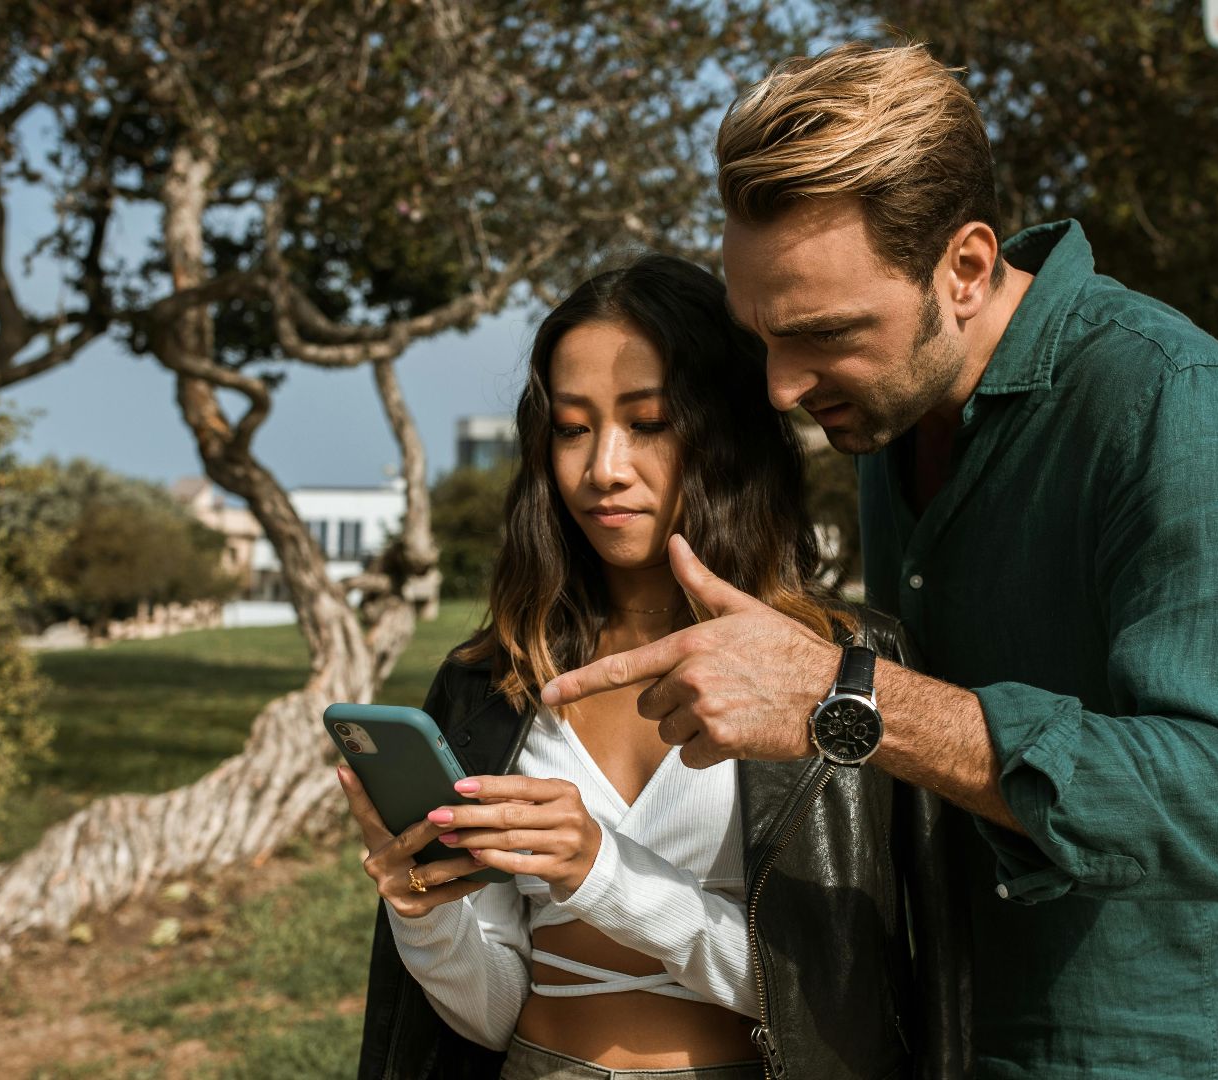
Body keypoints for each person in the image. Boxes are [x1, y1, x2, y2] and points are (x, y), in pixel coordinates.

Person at [540, 43, 1218, 1079]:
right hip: (932, 1027)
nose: (780, 388)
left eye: (823, 334)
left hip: (1125, 1049)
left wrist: (843, 696)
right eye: (760, 333)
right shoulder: (885, 413)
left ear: (967, 269)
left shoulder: (1165, 397)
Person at [348, 254, 938, 1080]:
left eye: (650, 421)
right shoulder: (497, 677)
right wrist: (424, 911)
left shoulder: (841, 670)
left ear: (723, 432)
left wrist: (604, 874)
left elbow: (844, 1003)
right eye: (573, 427)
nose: (603, 470)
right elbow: (487, 1013)